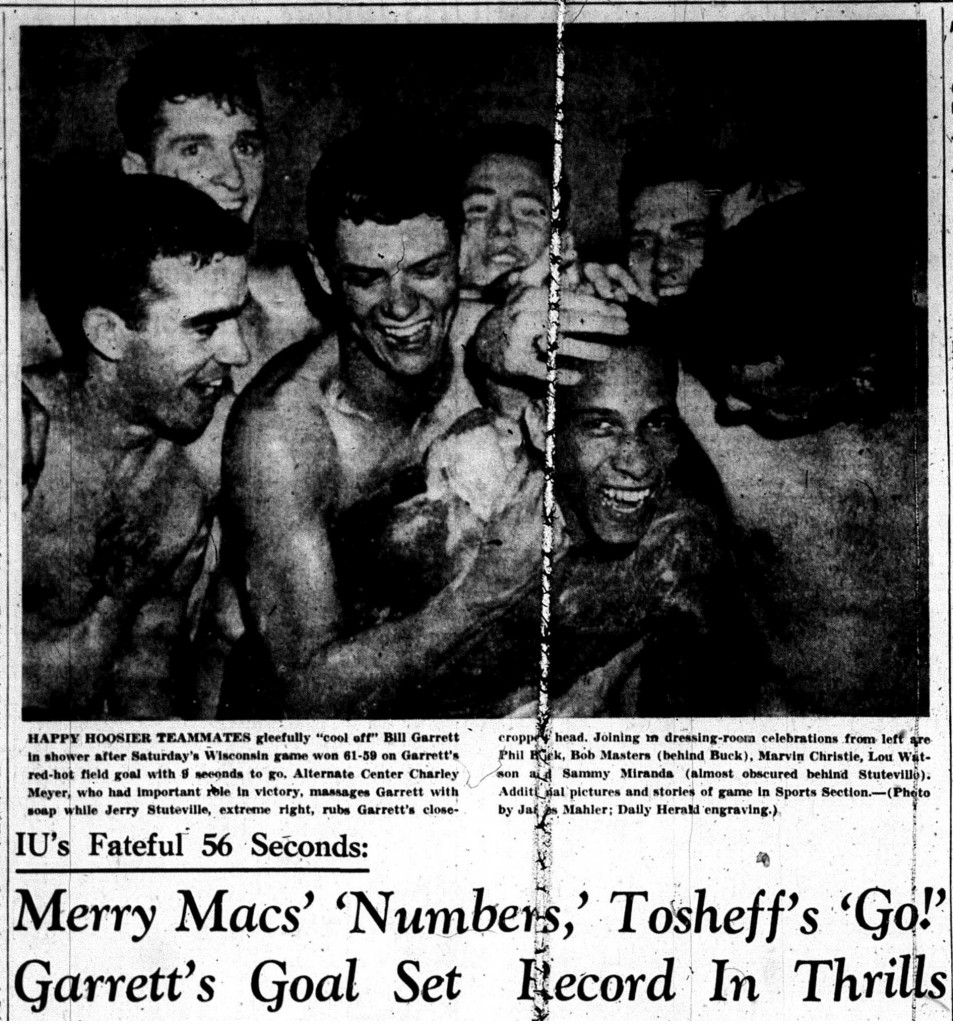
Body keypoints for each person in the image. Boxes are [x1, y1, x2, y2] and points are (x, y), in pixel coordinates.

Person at [219, 131, 548, 719]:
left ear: (459, 251)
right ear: (323, 274)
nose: (401, 306)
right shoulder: (286, 431)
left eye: (426, 269)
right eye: (369, 279)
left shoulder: (497, 345)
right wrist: (483, 594)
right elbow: (305, 692)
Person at [22, 176, 252, 720]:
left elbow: (146, 673)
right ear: (108, 333)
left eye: (236, 316)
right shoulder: (21, 443)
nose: (238, 351)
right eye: (205, 326)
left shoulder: (195, 462)